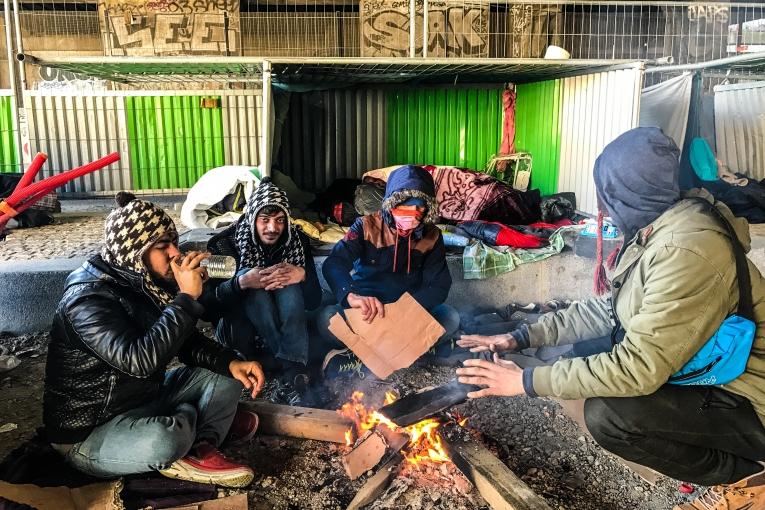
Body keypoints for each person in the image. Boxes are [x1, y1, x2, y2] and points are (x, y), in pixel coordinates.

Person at [456, 128, 765, 510]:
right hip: (706, 371)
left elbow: (638, 368)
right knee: (591, 350)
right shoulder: (661, 225)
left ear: (627, 191)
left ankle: (745, 479)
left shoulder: (686, 250)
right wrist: (520, 337)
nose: (604, 203)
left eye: (608, 192)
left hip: (748, 399)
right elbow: (607, 309)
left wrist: (525, 381)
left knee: (609, 416)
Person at [43, 192, 264, 488]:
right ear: (136, 251)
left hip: (145, 399)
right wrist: (186, 298)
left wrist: (230, 362)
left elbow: (183, 341)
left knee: (228, 374)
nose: (175, 252)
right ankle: (193, 423)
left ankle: (202, 446)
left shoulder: (143, 281)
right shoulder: (87, 300)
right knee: (166, 439)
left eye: (174, 241)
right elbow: (140, 362)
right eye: (163, 246)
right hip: (91, 430)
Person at [318, 165, 460, 376]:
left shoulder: (432, 236)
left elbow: (439, 285)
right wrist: (352, 297)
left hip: (408, 313)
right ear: (391, 204)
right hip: (367, 312)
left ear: (427, 210)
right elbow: (334, 263)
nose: (410, 217)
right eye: (403, 208)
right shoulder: (365, 226)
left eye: (418, 209)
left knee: (450, 317)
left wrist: (405, 310)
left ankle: (360, 355)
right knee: (327, 318)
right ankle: (410, 352)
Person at [205, 177, 323, 406]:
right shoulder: (224, 245)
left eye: (280, 220)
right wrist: (240, 284)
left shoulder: (296, 241)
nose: (273, 228)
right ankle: (292, 372)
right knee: (252, 283)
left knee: (289, 283)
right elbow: (208, 308)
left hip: (286, 329)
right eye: (265, 220)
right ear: (252, 218)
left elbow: (313, 300)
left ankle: (287, 374)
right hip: (241, 335)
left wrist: (303, 275)